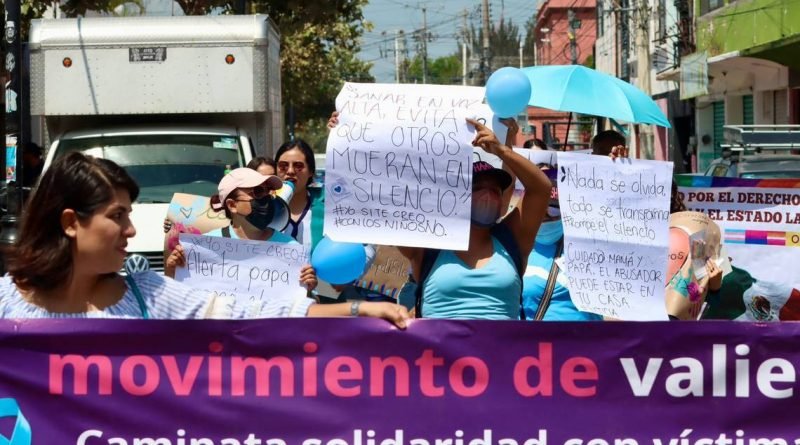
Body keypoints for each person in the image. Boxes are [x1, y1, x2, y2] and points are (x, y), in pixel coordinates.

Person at [0, 152, 409, 327]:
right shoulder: (6, 303)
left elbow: (257, 312)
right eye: (117, 216)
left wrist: (358, 309)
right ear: (71, 222)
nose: (131, 230)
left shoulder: (147, 296)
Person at [400, 119, 552, 320]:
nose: (488, 196)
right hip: (438, 351)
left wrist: (502, 151)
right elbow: (384, 195)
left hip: (505, 352)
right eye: (478, 189)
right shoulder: (428, 244)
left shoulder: (512, 239)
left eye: (495, 190)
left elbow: (541, 189)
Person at [165, 167, 317, 292]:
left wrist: (307, 288)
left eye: (268, 191)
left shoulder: (290, 248)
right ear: (232, 205)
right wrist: (173, 272)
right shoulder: (203, 249)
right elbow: (186, 298)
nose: (265, 198)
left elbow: (298, 305)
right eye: (257, 192)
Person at [521, 163, 602, 321]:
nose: (545, 214)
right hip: (535, 344)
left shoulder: (590, 245)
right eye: (539, 208)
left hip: (586, 342)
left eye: (553, 208)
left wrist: (617, 167)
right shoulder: (515, 248)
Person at [274, 139, 324, 248]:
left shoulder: (328, 207)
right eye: (283, 166)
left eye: (298, 166)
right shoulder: (265, 207)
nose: (290, 171)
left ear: (311, 171)